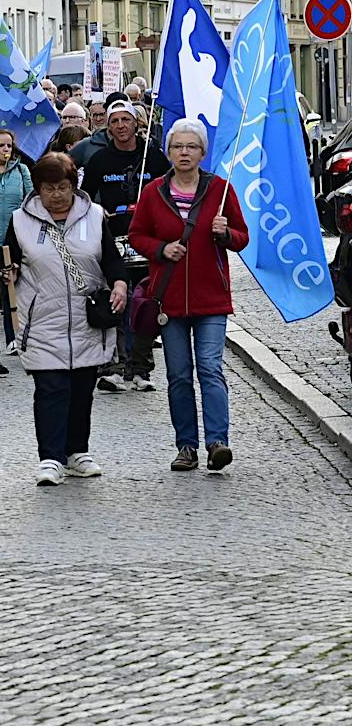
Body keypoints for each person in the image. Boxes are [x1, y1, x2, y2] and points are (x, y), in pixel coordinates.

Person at [127, 118, 250, 472]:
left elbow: (242, 238)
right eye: (178, 146)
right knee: (179, 374)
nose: (184, 152)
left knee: (210, 369)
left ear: (202, 153)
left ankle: (217, 442)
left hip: (211, 297)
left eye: (191, 146)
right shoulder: (153, 192)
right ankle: (186, 445)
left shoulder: (221, 190)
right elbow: (137, 236)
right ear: (168, 152)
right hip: (169, 302)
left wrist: (226, 234)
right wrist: (162, 249)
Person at [5, 152, 129, 486]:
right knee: (51, 388)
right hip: (42, 318)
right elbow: (6, 263)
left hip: (87, 320)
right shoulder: (19, 221)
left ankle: (77, 451)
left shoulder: (94, 216)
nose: (56, 194)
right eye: (48, 188)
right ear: (38, 189)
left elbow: (111, 259)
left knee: (81, 388)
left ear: (73, 186)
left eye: (62, 187)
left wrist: (119, 284)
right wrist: (7, 274)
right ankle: (50, 458)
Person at [78, 100, 170, 391]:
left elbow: (172, 188)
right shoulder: (100, 160)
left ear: (136, 124)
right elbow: (84, 196)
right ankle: (114, 365)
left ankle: (141, 367)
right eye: (114, 121)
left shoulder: (153, 157)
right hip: (114, 239)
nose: (120, 126)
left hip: (149, 239)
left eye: (125, 120)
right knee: (117, 302)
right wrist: (96, 208)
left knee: (146, 305)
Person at [0, 126, 31, 374]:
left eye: (9, 146)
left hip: (13, 239)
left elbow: (31, 199)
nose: (6, 150)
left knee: (13, 288)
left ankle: (15, 336)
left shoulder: (21, 171)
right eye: (1, 145)